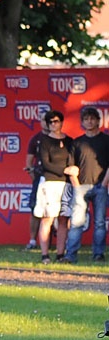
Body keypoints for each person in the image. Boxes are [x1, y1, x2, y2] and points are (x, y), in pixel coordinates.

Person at [31, 110, 78, 264]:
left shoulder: (70, 141)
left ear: (61, 122)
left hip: (65, 184)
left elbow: (72, 161)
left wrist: (72, 171)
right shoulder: (43, 141)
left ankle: (60, 254)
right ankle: (45, 255)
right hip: (50, 183)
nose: (53, 124)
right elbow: (45, 163)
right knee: (47, 219)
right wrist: (64, 170)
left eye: (56, 121)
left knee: (63, 220)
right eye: (50, 122)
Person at [62, 107, 108, 263]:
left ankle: (98, 254)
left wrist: (104, 184)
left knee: (100, 223)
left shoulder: (106, 141)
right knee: (76, 223)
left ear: (98, 121)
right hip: (80, 188)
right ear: (82, 122)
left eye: (92, 119)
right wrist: (76, 186)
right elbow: (70, 167)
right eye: (86, 119)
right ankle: (70, 255)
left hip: (100, 187)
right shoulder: (77, 142)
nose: (89, 121)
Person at [24, 118, 50, 250]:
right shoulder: (36, 139)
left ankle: (61, 242)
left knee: (59, 212)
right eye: (44, 120)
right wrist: (34, 177)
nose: (47, 123)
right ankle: (33, 240)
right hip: (40, 178)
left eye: (50, 120)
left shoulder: (60, 138)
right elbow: (29, 162)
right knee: (35, 209)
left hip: (56, 179)